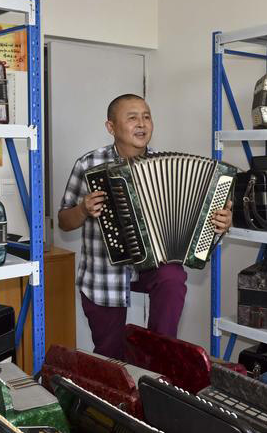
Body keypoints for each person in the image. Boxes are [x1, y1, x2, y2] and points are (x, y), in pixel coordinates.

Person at [58, 94, 232, 359]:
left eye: (146, 117)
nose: (142, 124)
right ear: (111, 127)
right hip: (104, 274)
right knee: (110, 356)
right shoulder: (89, 164)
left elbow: (196, 221)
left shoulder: (170, 167)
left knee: (173, 278)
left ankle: (159, 357)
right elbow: (63, 220)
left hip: (151, 266)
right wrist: (83, 209)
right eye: (132, 118)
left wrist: (221, 224)